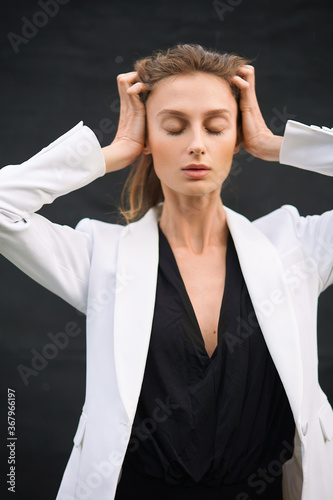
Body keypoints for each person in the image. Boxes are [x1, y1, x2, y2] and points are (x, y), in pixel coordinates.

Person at [0, 43, 332, 500]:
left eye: (216, 126)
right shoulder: (104, 254)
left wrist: (278, 144)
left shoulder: (295, 247)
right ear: (147, 140)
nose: (196, 143)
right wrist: (110, 153)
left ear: (237, 137)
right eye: (173, 127)